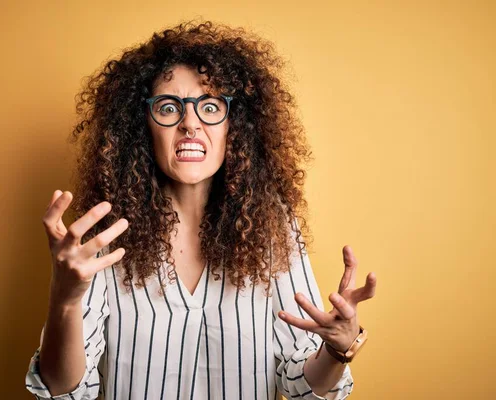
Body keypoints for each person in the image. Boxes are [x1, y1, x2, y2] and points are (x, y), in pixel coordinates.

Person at [25, 19, 377, 400]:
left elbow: (303, 386)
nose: (190, 123)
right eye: (168, 106)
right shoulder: (101, 238)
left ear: (234, 126)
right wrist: (65, 299)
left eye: (210, 106)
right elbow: (64, 389)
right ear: (142, 124)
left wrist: (337, 349)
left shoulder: (273, 227)